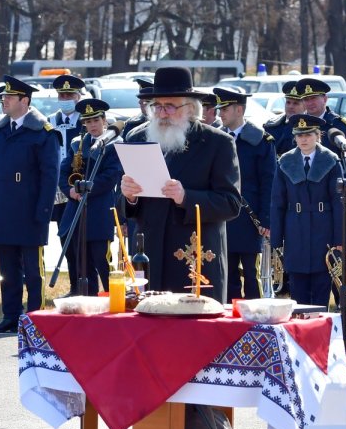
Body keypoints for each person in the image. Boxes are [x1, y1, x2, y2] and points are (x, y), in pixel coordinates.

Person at [121, 66, 241, 301]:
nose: (162, 113)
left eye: (170, 106)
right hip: (149, 256)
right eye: (157, 106)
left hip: (194, 258)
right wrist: (129, 197)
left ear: (191, 108)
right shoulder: (137, 137)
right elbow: (127, 205)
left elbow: (231, 203)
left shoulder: (217, 143)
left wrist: (186, 197)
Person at [0, 75, 60, 333]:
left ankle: (36, 317)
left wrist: (43, 211)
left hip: (29, 208)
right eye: (3, 96)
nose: (4, 100)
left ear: (24, 101)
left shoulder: (42, 132)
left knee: (32, 270)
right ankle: (11, 315)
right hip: (2, 208)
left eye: (9, 96)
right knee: (7, 268)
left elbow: (50, 176)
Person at [268, 114, 344, 307]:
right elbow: (277, 202)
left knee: (321, 284)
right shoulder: (285, 161)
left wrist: (340, 239)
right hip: (295, 230)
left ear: (318, 135)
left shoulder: (331, 160)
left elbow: (339, 203)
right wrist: (276, 239)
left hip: (323, 230)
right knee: (298, 288)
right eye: (299, 135)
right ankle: (300, 325)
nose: (304, 139)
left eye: (308, 134)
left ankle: (319, 323)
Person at [214, 86, 274, 300]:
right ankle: (231, 314)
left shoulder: (260, 140)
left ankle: (255, 314)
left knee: (251, 273)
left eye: (225, 109)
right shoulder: (216, 138)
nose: (220, 113)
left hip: (250, 217)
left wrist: (266, 218)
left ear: (239, 110)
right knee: (227, 272)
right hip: (223, 214)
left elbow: (268, 182)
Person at [58, 99, 122, 296]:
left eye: (96, 120)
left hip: (99, 209)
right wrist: (70, 190)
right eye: (88, 121)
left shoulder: (114, 144)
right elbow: (63, 172)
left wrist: (86, 189)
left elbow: (110, 177)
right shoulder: (77, 144)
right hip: (76, 208)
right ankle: (86, 297)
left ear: (104, 120)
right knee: (80, 260)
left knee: (101, 259)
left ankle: (113, 297)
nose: (92, 125)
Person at [47, 74, 85, 292]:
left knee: (82, 240)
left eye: (70, 95)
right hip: (58, 189)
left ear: (78, 96)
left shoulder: (85, 121)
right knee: (65, 238)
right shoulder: (50, 121)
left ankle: (86, 284)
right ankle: (73, 285)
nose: (65, 99)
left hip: (79, 189)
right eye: (62, 95)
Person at [299, 78, 346, 150]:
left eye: (313, 98)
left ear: (325, 99)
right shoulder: (297, 125)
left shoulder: (341, 126)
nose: (310, 103)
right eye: (306, 99)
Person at [263, 81, 303, 157]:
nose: (290, 106)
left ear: (305, 106)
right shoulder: (271, 126)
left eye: (296, 103)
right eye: (288, 102)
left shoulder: (311, 128)